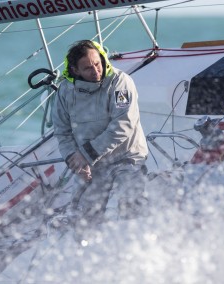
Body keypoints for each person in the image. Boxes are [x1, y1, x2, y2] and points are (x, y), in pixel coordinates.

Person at [52, 40, 149, 229]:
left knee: (131, 206)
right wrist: (74, 159)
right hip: (93, 164)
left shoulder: (120, 82)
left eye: (98, 64)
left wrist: (85, 155)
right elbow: (62, 132)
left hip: (126, 158)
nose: (96, 71)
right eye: (88, 68)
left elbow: (123, 125)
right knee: (83, 218)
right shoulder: (64, 91)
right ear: (75, 70)